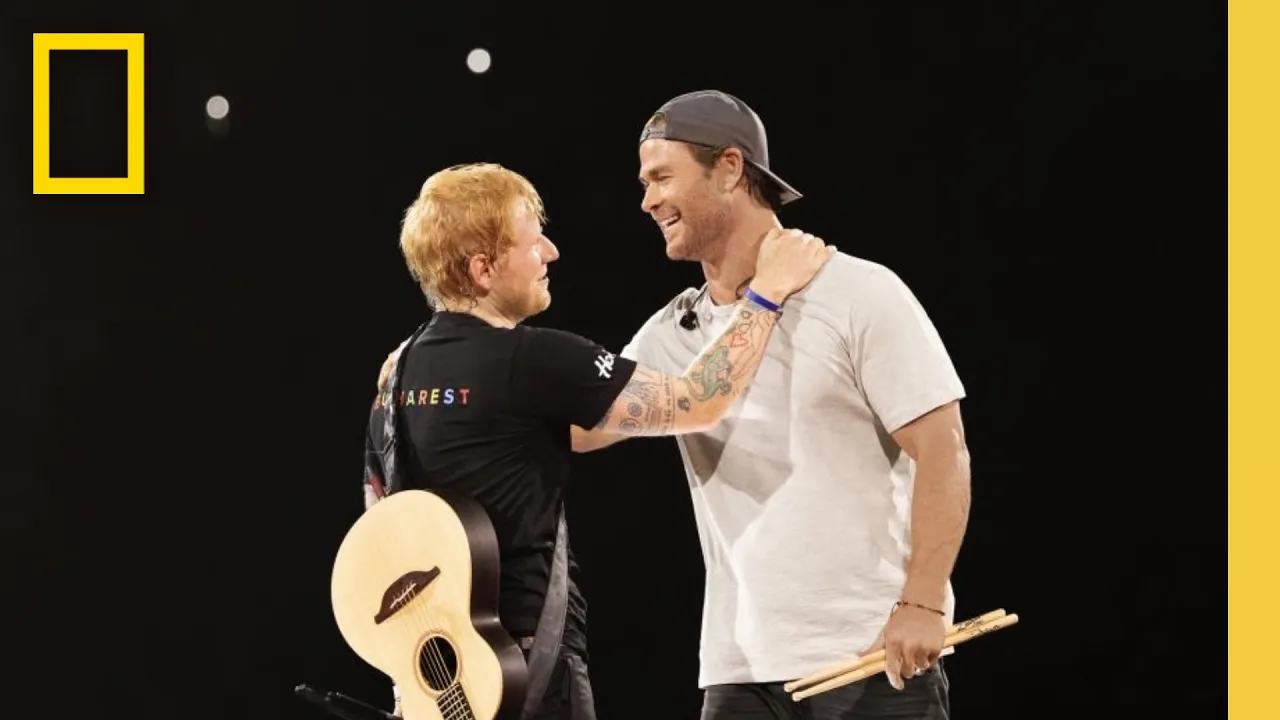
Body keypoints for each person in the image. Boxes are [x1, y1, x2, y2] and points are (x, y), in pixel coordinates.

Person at [361, 161, 835, 720]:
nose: (551, 252)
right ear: (483, 269)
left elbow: (381, 533)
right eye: (532, 241)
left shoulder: (395, 379)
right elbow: (697, 402)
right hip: (527, 671)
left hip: (443, 683)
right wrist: (768, 293)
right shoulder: (532, 360)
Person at [570, 90, 973, 719]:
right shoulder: (673, 333)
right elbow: (578, 431)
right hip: (740, 673)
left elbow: (943, 450)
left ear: (730, 168)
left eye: (662, 178)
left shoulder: (859, 292)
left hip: (870, 657)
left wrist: (923, 600)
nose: (647, 200)